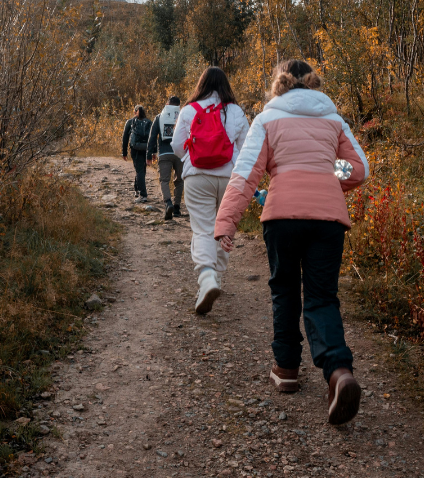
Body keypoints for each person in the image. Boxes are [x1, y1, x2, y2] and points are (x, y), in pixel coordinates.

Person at [212, 59, 370, 426]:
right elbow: (358, 168)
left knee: (284, 289)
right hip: (328, 218)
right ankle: (338, 372)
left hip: (282, 215)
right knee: (322, 296)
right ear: (313, 83)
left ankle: (285, 369)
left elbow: (247, 173)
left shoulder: (268, 118)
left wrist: (227, 222)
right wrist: (328, 177)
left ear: (278, 83)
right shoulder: (333, 119)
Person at [171, 67, 249, 315]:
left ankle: (207, 279)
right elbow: (246, 148)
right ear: (226, 85)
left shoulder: (188, 110)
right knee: (223, 227)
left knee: (203, 228)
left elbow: (176, 146)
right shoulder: (236, 111)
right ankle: (216, 276)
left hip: (197, 177)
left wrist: (194, 159)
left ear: (201, 84)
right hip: (230, 178)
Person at [147, 95, 184, 220]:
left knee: (164, 180)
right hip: (180, 153)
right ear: (179, 105)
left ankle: (168, 203)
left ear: (167, 104)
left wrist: (150, 154)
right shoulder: (183, 116)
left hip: (164, 153)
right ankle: (177, 208)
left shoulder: (159, 117)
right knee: (179, 180)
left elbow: (152, 137)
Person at [121, 105, 151, 202]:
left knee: (139, 171)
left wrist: (124, 152)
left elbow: (125, 138)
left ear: (135, 112)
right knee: (142, 170)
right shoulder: (149, 122)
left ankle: (143, 195)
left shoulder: (130, 122)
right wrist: (153, 151)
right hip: (146, 148)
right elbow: (152, 138)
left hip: (135, 149)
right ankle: (137, 190)